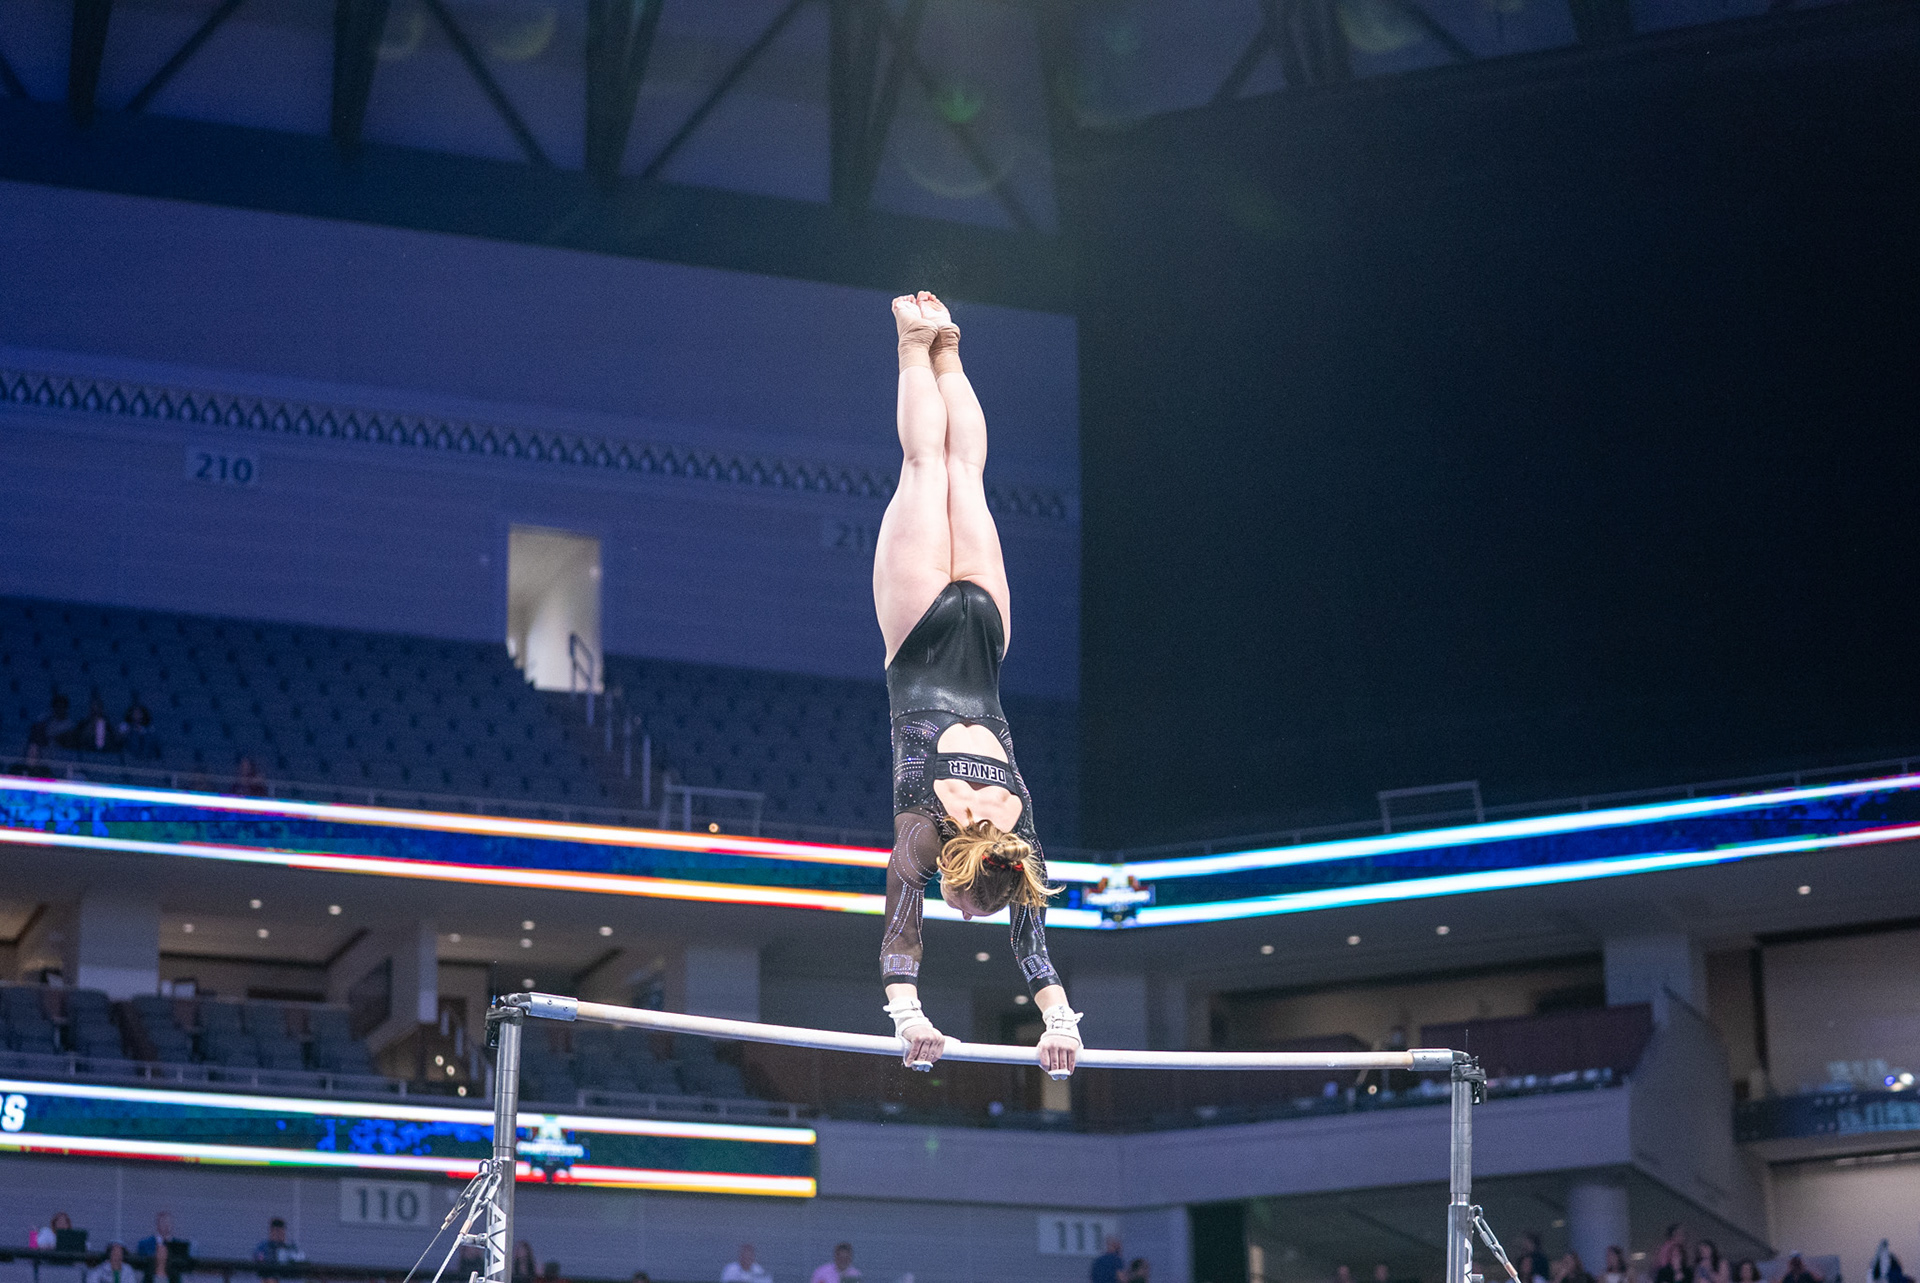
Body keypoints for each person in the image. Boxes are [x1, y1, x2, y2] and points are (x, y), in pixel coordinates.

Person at [874, 291, 1082, 1078]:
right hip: (920, 636)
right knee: (926, 465)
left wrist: (1061, 1022)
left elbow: (1033, 942)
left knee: (965, 471)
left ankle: (949, 346)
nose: (958, 914)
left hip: (988, 633)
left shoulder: (1020, 841)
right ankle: (912, 342)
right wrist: (908, 1015)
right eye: (960, 905)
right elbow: (902, 922)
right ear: (958, 878)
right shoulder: (926, 832)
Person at [136, 1212, 188, 1283]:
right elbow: (141, 1266)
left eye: (168, 1222)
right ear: (157, 1224)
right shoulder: (144, 1244)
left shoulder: (180, 1247)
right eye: (163, 1222)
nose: (166, 1225)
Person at [253, 1217, 305, 1283]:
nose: (278, 1235)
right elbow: (259, 1262)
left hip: (288, 1277)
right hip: (271, 1276)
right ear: (271, 1232)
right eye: (276, 1231)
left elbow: (300, 1262)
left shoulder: (290, 1247)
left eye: (281, 1232)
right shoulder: (263, 1247)